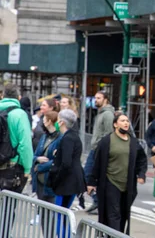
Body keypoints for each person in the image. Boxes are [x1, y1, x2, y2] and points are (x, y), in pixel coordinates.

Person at [87, 112, 147, 234]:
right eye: (123, 121)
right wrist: (91, 182)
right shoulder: (106, 141)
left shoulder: (134, 142)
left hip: (127, 185)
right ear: (115, 124)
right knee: (113, 214)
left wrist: (141, 174)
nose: (126, 123)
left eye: (127, 121)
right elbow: (97, 162)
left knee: (123, 214)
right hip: (110, 182)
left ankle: (115, 235)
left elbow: (142, 159)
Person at [50, 109, 87, 237]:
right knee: (64, 212)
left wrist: (56, 180)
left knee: (60, 213)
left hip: (66, 182)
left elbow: (66, 162)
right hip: (73, 180)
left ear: (61, 122)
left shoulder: (67, 138)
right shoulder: (73, 136)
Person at [32, 110, 62, 236]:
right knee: (43, 212)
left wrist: (41, 167)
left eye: (44, 119)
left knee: (50, 212)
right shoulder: (44, 136)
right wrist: (37, 160)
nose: (42, 121)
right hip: (39, 180)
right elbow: (35, 155)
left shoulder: (60, 138)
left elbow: (58, 160)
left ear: (49, 121)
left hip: (50, 179)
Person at [84, 91, 115, 214]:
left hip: (99, 150)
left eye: (98, 98)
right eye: (95, 98)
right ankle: (98, 200)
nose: (95, 100)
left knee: (88, 174)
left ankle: (99, 201)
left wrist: (101, 148)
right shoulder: (100, 114)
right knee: (89, 175)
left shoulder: (107, 114)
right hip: (95, 149)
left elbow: (109, 133)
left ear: (105, 99)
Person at [0, 83, 33, 193]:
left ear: (2, 96)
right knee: (8, 207)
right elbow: (25, 144)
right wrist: (27, 168)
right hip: (11, 167)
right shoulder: (20, 115)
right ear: (18, 98)